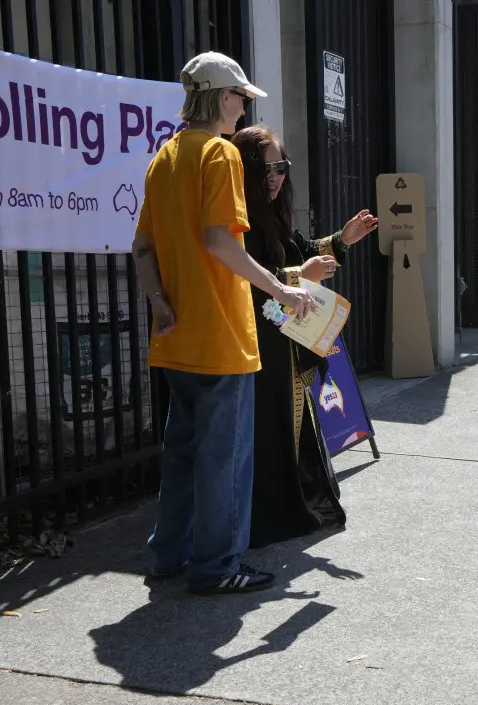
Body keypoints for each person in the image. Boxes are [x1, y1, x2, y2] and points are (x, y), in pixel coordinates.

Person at [130, 52, 315, 595]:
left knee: (183, 452)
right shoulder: (220, 154)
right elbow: (220, 241)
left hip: (176, 336)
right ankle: (217, 567)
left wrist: (160, 303)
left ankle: (169, 555)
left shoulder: (162, 158)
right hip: (222, 338)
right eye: (240, 97)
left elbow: (142, 246)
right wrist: (281, 288)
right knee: (224, 460)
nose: (243, 106)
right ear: (221, 97)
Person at [230, 125, 378, 549]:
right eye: (265, 168)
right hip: (260, 343)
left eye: (281, 167)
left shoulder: (273, 213)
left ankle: (292, 505)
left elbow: (298, 251)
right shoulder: (238, 219)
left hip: (286, 339)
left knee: (294, 427)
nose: (275, 177)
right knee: (270, 428)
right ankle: (267, 517)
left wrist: (340, 240)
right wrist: (298, 277)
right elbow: (245, 280)